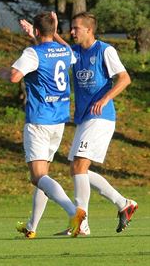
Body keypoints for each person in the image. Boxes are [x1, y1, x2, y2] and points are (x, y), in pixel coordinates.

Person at [17, 12, 137, 237]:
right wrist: (36, 33)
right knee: (78, 169)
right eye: (71, 28)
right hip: (84, 118)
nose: (71, 32)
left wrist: (104, 99)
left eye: (76, 28)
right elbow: (53, 49)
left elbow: (124, 78)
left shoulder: (105, 50)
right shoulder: (75, 52)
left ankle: (82, 224)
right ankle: (123, 203)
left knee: (78, 168)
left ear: (89, 30)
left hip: (101, 117)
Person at [0, 11, 86, 239]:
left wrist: (4, 72)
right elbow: (61, 51)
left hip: (39, 121)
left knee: (37, 176)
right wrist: (50, 33)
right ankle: (32, 226)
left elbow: (15, 76)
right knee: (44, 176)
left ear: (36, 31)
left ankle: (74, 212)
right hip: (59, 121)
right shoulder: (65, 51)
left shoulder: (32, 52)